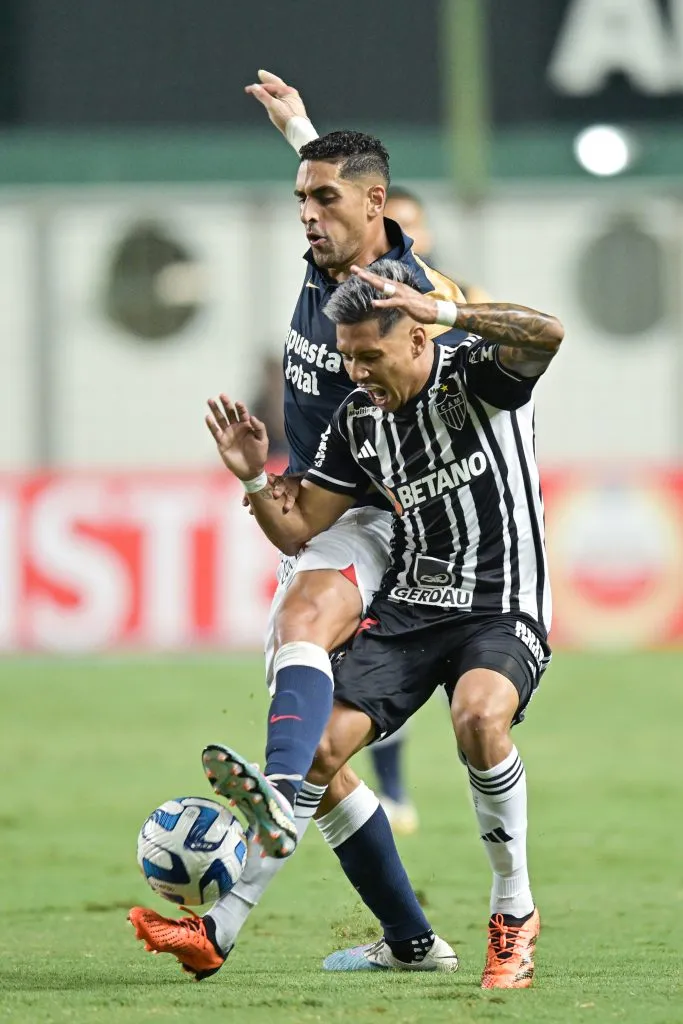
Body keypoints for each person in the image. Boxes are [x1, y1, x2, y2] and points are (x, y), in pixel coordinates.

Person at [129, 72, 464, 977]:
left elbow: (472, 351)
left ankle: (262, 822)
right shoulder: (326, 260)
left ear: (375, 205)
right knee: (324, 760)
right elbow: (340, 186)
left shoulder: (404, 295)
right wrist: (300, 128)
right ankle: (410, 942)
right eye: (299, 201)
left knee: (301, 625)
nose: (307, 216)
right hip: (321, 504)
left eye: (323, 202)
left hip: (382, 515)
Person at [202, 259, 561, 987]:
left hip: (502, 601)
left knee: (478, 717)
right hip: (410, 610)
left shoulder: (475, 377)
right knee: (319, 752)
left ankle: (512, 912)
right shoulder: (359, 422)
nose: (357, 371)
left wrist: (447, 311)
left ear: (418, 340)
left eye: (371, 355)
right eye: (346, 357)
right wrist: (250, 474)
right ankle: (228, 927)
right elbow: (299, 524)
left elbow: (547, 334)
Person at [369, 188, 491, 834]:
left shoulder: (465, 302)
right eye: (394, 230)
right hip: (390, 494)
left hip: (461, 498)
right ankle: (391, 790)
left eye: (411, 228)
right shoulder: (361, 310)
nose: (404, 240)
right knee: (378, 634)